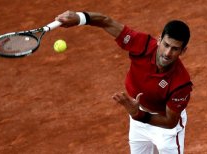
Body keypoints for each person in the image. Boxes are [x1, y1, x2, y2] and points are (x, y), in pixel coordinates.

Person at [55, 10, 193, 154]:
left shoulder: (181, 82)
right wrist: (79, 18)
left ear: (183, 51)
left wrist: (138, 114)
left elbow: (170, 122)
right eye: (166, 45)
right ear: (159, 40)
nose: (167, 53)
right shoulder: (142, 45)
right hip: (138, 121)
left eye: (175, 49)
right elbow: (106, 21)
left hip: (165, 129)